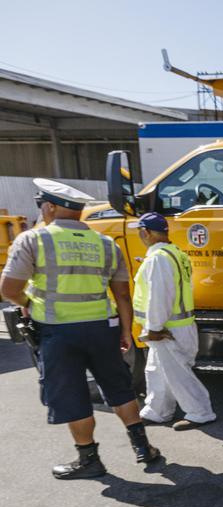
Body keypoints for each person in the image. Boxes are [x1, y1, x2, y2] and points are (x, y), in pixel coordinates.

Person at [0, 178, 160, 478]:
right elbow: (122, 295)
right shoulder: (105, 244)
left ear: (49, 207)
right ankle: (143, 449)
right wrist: (126, 332)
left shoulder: (34, 240)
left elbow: (9, 289)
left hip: (58, 331)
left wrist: (29, 303)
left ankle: (89, 460)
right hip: (102, 328)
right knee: (119, 388)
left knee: (72, 395)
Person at [130, 212, 215, 430]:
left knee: (178, 374)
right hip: (177, 325)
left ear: (146, 232)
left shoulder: (159, 258)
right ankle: (157, 411)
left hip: (168, 328)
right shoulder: (174, 253)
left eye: (140, 231)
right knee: (157, 371)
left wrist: (155, 328)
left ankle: (201, 412)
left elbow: (160, 296)